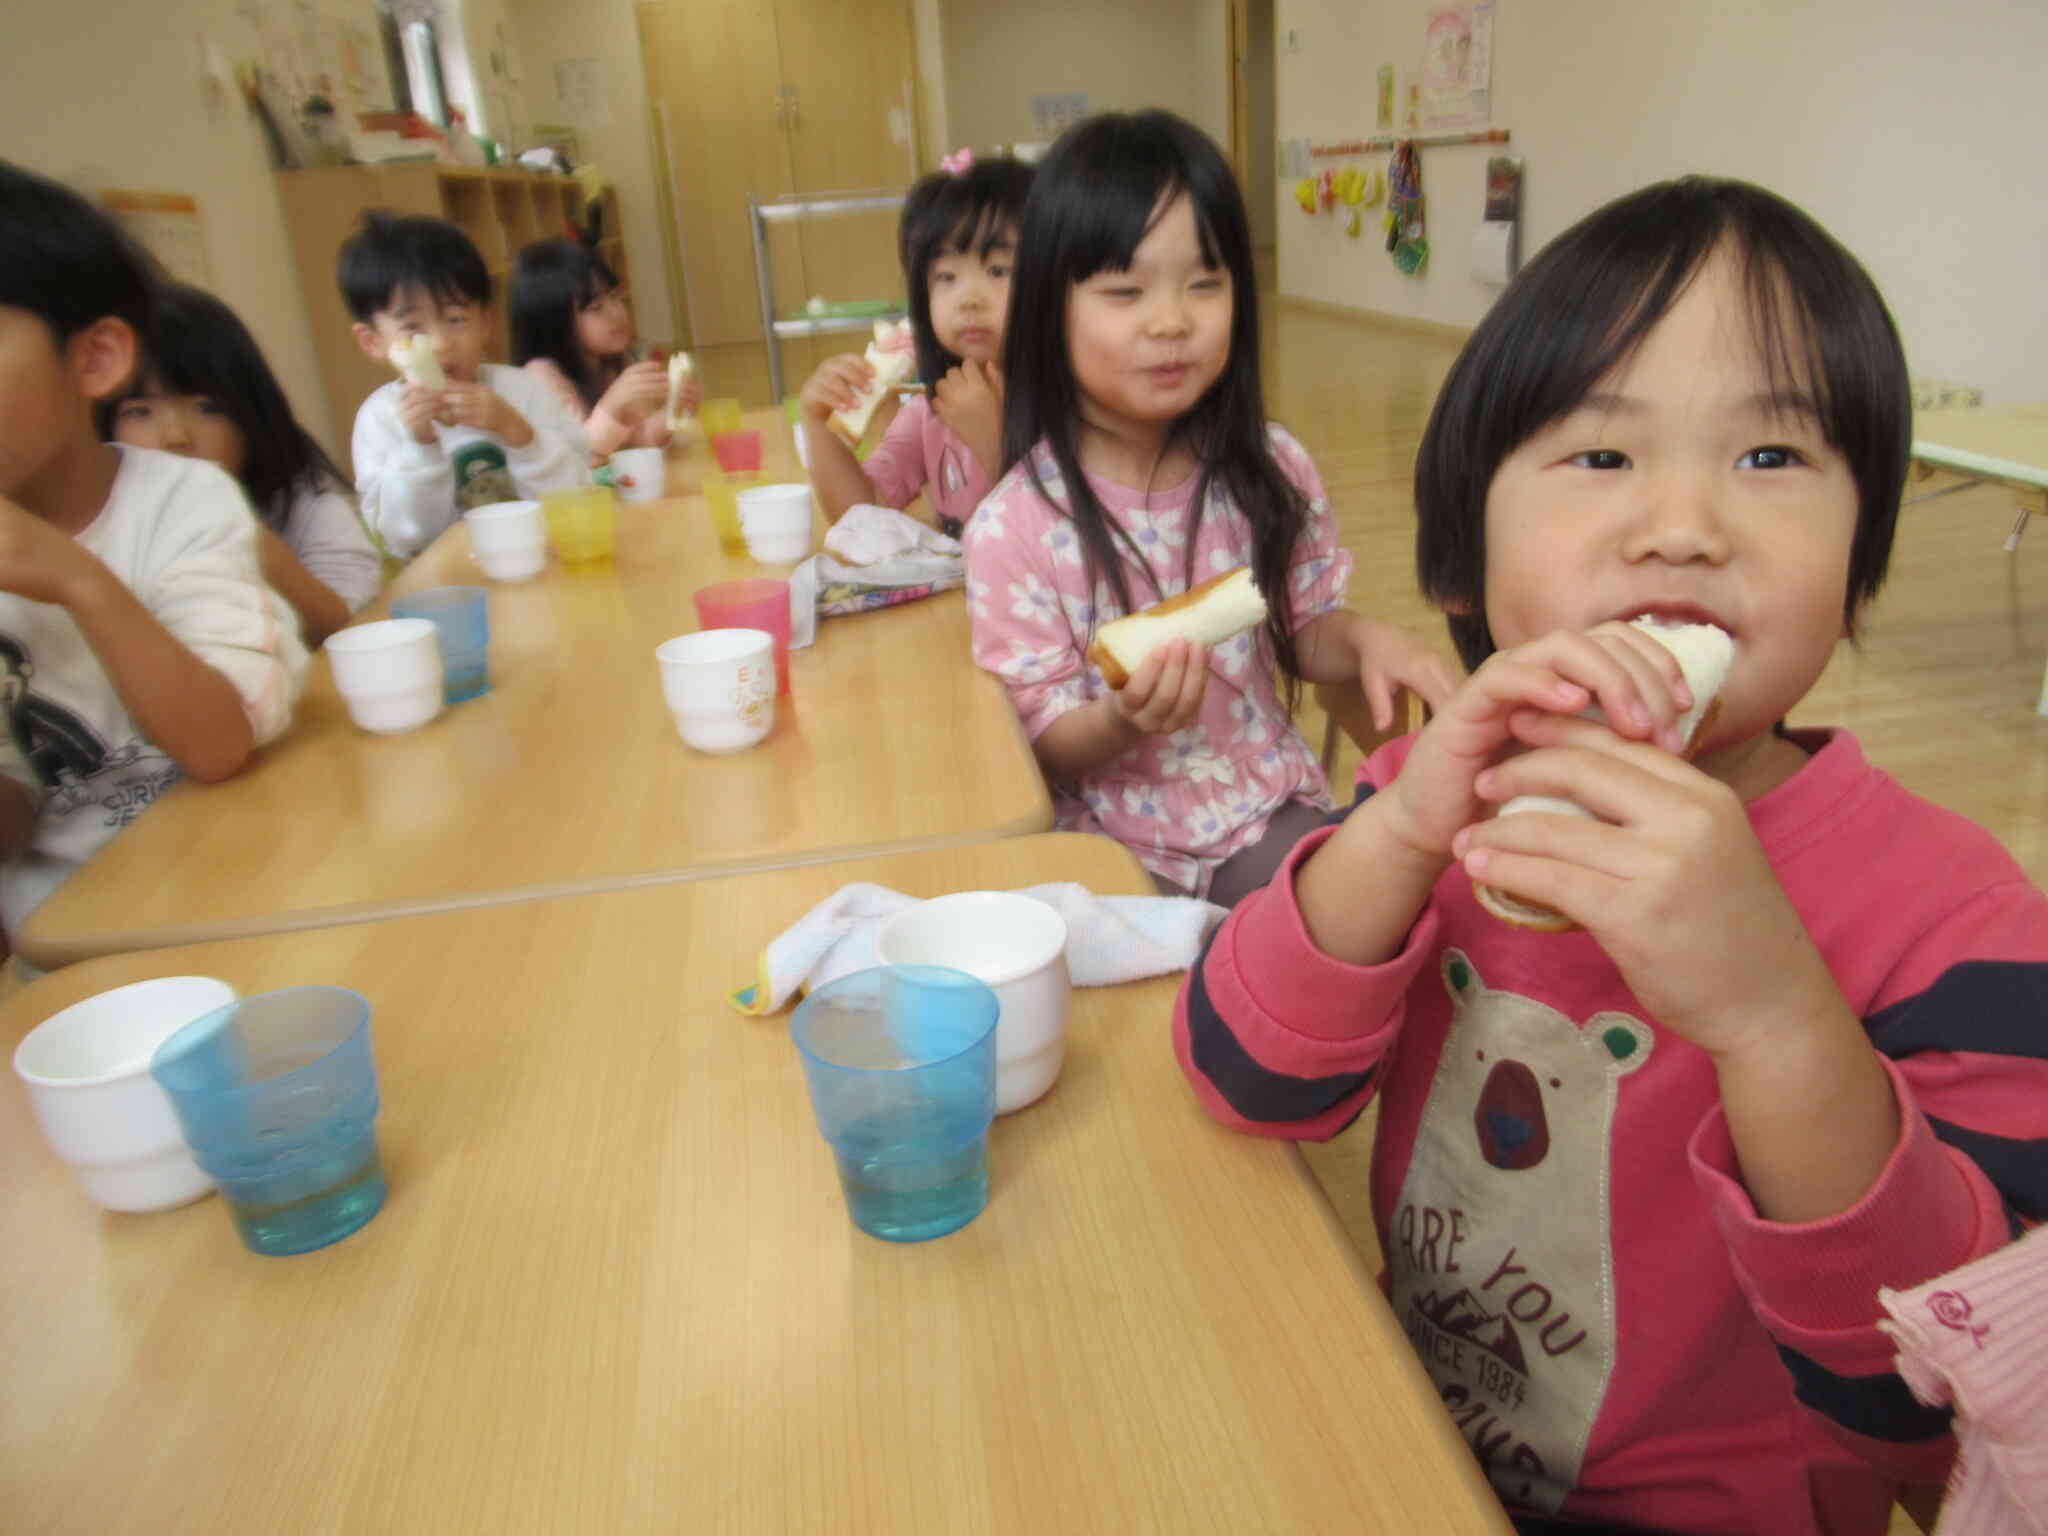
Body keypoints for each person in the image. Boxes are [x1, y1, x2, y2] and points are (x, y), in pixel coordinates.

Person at [1174, 176, 2048, 1532]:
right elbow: (1247, 1082)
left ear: (1861, 560)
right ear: (1462, 567)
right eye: (1602, 456)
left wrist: (1772, 1014)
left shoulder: (1960, 920)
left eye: (1773, 459)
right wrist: (1401, 830)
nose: (1685, 524)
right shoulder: (1429, 801)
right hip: (1410, 1437)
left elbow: (1935, 1409)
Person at [965, 112, 1455, 905]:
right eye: (1125, 291)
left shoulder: (1270, 468)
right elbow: (1043, 749)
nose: (1172, 322)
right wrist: (1123, 720)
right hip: (1115, 851)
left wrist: (1367, 637)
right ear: (1050, 311)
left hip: (1263, 811)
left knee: (1394, 905)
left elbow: (1304, 632)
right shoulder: (1013, 529)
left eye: (1205, 283)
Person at [0, 161, 308, 938]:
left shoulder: (181, 504)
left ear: (95, 359)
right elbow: (16, 818)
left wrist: (80, 581)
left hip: (252, 886)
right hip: (73, 938)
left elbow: (218, 745)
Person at [107, 282, 381, 645]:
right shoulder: (96, 530)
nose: (175, 437)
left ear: (251, 419)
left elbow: (351, 630)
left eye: (206, 408)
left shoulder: (304, 508)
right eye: (139, 412)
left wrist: (248, 540)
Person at [799, 151, 1034, 536]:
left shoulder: (1074, 410)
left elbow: (1071, 539)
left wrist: (994, 445)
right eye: (946, 277)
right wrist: (818, 424)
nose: (968, 299)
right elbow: (862, 515)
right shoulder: (931, 410)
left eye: (997, 271)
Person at [340, 211, 587, 559]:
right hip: (447, 586)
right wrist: (420, 448)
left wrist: (518, 432)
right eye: (412, 328)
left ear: (485, 322)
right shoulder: (380, 419)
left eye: (456, 319)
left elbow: (577, 495)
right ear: (372, 341)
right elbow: (403, 540)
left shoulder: (523, 391)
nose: (440, 343)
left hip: (541, 566)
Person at [508, 237, 697, 465]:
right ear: (552, 322)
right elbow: (575, 462)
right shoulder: (541, 379)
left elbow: (632, 445)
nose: (616, 312)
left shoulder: (610, 363)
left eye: (616, 297)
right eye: (596, 308)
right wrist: (612, 407)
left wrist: (671, 413)